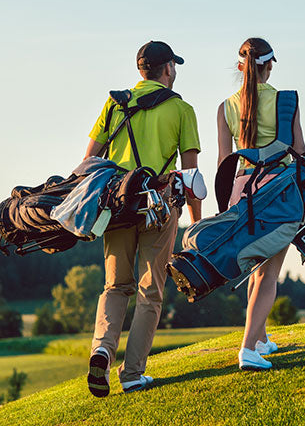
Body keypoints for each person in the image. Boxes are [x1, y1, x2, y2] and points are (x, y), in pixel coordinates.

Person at [84, 41, 201, 396]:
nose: (175, 72)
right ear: (167, 69)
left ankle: (102, 348)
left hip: (117, 206)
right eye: (174, 66)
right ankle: (132, 374)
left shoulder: (114, 103)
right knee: (150, 291)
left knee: (116, 286)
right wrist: (195, 225)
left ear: (140, 71)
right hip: (159, 205)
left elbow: (89, 161)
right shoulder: (181, 108)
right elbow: (191, 177)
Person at [217, 37, 305, 371]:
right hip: (278, 192)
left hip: (242, 189)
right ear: (268, 66)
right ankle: (247, 350)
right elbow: (299, 151)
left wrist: (226, 206)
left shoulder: (225, 106)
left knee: (255, 268)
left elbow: (225, 162)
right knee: (269, 274)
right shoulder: (286, 101)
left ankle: (260, 339)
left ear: (241, 67)